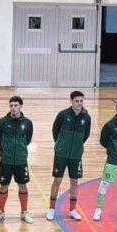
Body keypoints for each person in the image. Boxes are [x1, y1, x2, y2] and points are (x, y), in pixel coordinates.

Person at [48, 91, 91, 222]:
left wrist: (77, 145)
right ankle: (51, 208)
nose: (79, 103)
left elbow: (86, 135)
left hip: (76, 155)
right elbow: (55, 131)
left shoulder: (86, 117)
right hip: (61, 154)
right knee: (57, 180)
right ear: (71, 101)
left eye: (81, 101)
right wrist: (61, 144)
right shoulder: (63, 115)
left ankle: (72, 210)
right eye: (76, 101)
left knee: (74, 182)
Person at [0, 95, 34, 224]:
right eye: (11, 105)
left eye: (16, 105)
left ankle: (24, 212)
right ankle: (0, 212)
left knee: (23, 186)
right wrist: (6, 149)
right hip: (6, 160)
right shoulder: (2, 122)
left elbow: (28, 139)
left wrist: (20, 150)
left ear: (21, 106)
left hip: (21, 161)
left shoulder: (27, 123)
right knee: (4, 186)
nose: (13, 108)